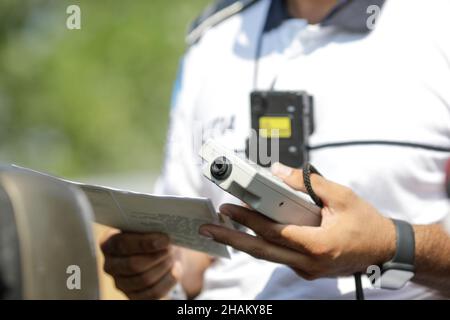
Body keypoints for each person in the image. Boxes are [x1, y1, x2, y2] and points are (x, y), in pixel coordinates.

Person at [101, 0, 450, 299]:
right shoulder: (211, 42)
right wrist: (158, 266)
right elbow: (193, 256)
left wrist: (390, 247)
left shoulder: (436, 23)